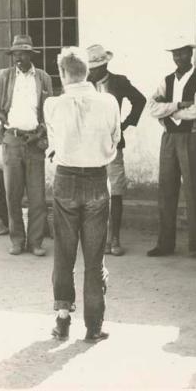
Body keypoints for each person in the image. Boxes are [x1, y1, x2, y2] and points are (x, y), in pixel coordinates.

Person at [44, 46, 121, 342]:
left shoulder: (53, 105)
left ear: (63, 74)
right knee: (94, 255)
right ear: (87, 71)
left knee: (64, 252)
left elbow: (52, 144)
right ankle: (94, 325)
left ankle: (62, 319)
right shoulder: (108, 102)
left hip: (65, 179)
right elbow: (116, 138)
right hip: (97, 180)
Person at [0, 34, 53, 256]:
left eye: (23, 53)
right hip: (11, 140)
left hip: (35, 141)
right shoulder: (3, 76)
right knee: (13, 194)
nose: (18, 58)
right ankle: (17, 240)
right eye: (15, 54)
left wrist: (41, 132)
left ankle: (36, 242)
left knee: (37, 197)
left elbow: (50, 110)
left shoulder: (43, 78)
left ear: (31, 54)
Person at [147, 35, 196, 263]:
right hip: (169, 139)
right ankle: (165, 243)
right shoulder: (167, 80)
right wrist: (176, 106)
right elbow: (152, 107)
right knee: (166, 190)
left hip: (191, 138)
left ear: (191, 53)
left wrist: (171, 113)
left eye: (182, 52)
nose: (178, 57)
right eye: (175, 53)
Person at [86, 44, 146, 257]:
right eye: (89, 67)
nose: (91, 71)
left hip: (113, 145)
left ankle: (115, 238)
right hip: (90, 147)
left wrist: (126, 123)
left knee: (116, 192)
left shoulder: (119, 81)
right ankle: (98, 239)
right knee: (94, 194)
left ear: (105, 66)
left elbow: (140, 100)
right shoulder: (84, 85)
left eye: (95, 68)